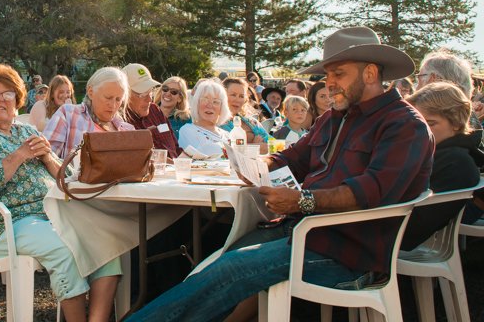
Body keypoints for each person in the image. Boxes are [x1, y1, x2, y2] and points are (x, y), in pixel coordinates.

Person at [129, 26, 433, 322]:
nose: (329, 83)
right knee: (214, 260)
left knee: (229, 269)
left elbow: (373, 191)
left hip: (349, 253)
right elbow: (293, 157)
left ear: (370, 73)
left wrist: (302, 202)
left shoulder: (405, 125)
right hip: (302, 231)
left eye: (338, 74)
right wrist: (247, 164)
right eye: (327, 75)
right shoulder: (334, 118)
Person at [0, 63, 120, 322]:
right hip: (1, 224)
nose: (0, 100)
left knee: (108, 244)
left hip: (50, 215)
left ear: (17, 100)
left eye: (8, 94)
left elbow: (67, 177)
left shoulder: (27, 131)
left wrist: (48, 159)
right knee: (65, 248)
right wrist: (20, 154)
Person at [402, 82, 484, 246]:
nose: (420, 129)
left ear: (456, 123)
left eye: (430, 123)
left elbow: (413, 230)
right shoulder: (437, 152)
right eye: (416, 122)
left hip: (394, 241)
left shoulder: (456, 163)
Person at [44, 66, 134, 158]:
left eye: (118, 99)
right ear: (91, 92)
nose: (113, 105)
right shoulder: (68, 114)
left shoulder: (128, 130)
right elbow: (45, 158)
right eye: (108, 97)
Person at [123, 63, 181, 159]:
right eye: (143, 94)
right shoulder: (121, 122)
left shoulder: (155, 111)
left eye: (150, 92)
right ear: (125, 95)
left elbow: (176, 149)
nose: (149, 99)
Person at [177, 80, 231, 157]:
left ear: (222, 108)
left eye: (215, 102)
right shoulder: (187, 130)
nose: (209, 105)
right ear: (197, 104)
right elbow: (202, 157)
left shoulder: (227, 135)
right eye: (205, 100)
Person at [219, 77, 270, 145]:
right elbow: (231, 148)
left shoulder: (252, 122)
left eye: (241, 96)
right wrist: (254, 146)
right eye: (233, 95)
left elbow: (272, 142)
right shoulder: (219, 124)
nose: (237, 100)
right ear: (223, 96)